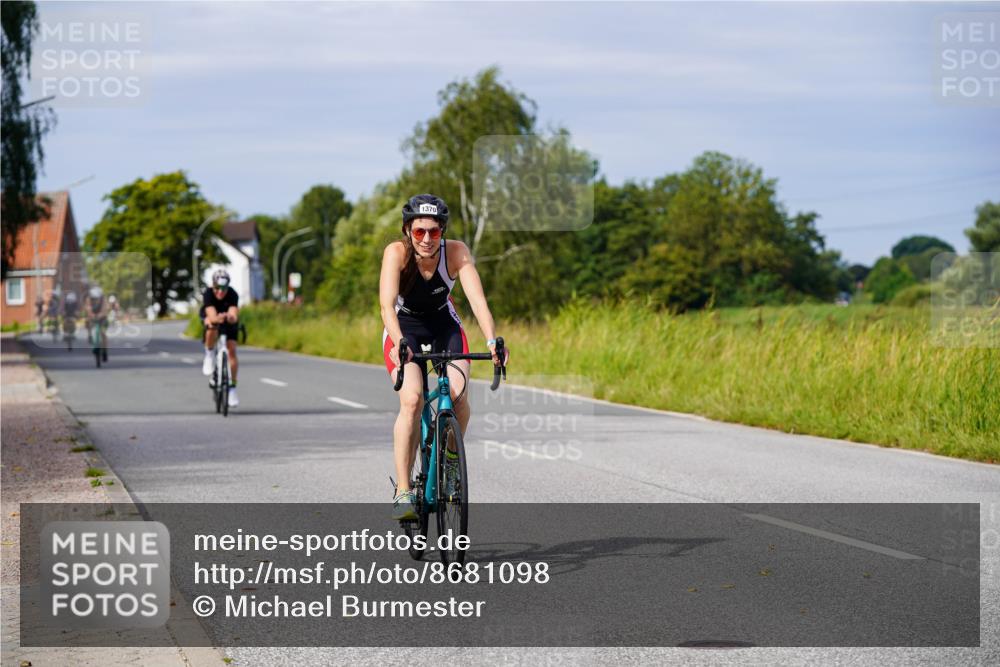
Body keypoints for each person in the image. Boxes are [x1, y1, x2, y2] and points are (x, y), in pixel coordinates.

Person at [379, 194, 507, 520]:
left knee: (457, 392)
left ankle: (450, 461)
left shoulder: (456, 253)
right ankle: (404, 489)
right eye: (419, 231)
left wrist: (493, 340)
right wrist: (399, 342)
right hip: (403, 326)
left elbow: (478, 302)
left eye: (434, 232)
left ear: (443, 231)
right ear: (407, 230)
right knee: (412, 400)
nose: (426, 239)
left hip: (442, 323)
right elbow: (385, 305)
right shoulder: (396, 253)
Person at [201, 269, 240, 408]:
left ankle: (232, 387)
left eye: (224, 288)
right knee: (211, 325)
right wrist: (217, 318)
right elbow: (211, 314)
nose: (220, 292)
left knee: (232, 350)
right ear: (213, 285)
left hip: (227, 322)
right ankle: (209, 354)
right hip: (213, 318)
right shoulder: (208, 294)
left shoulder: (233, 294)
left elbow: (234, 314)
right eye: (217, 288)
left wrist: (230, 317)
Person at [85, 286, 109, 361]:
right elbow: (88, 309)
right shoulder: (88, 299)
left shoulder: (103, 300)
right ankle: (90, 335)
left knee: (103, 333)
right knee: (87, 321)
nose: (94, 300)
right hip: (93, 316)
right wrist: (91, 315)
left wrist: (100, 315)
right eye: (93, 298)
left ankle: (104, 352)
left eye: (96, 298)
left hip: (102, 318)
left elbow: (104, 310)